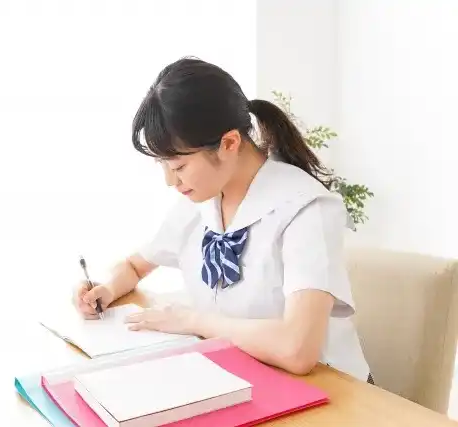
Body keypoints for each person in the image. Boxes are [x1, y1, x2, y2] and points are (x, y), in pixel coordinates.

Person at [72, 57, 371, 382]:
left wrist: (193, 321)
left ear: (229, 143)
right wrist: (106, 289)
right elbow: (134, 266)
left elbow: (297, 350)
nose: (170, 182)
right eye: (164, 166)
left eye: (179, 167)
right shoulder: (202, 198)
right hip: (243, 374)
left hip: (330, 388)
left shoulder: (306, 209)